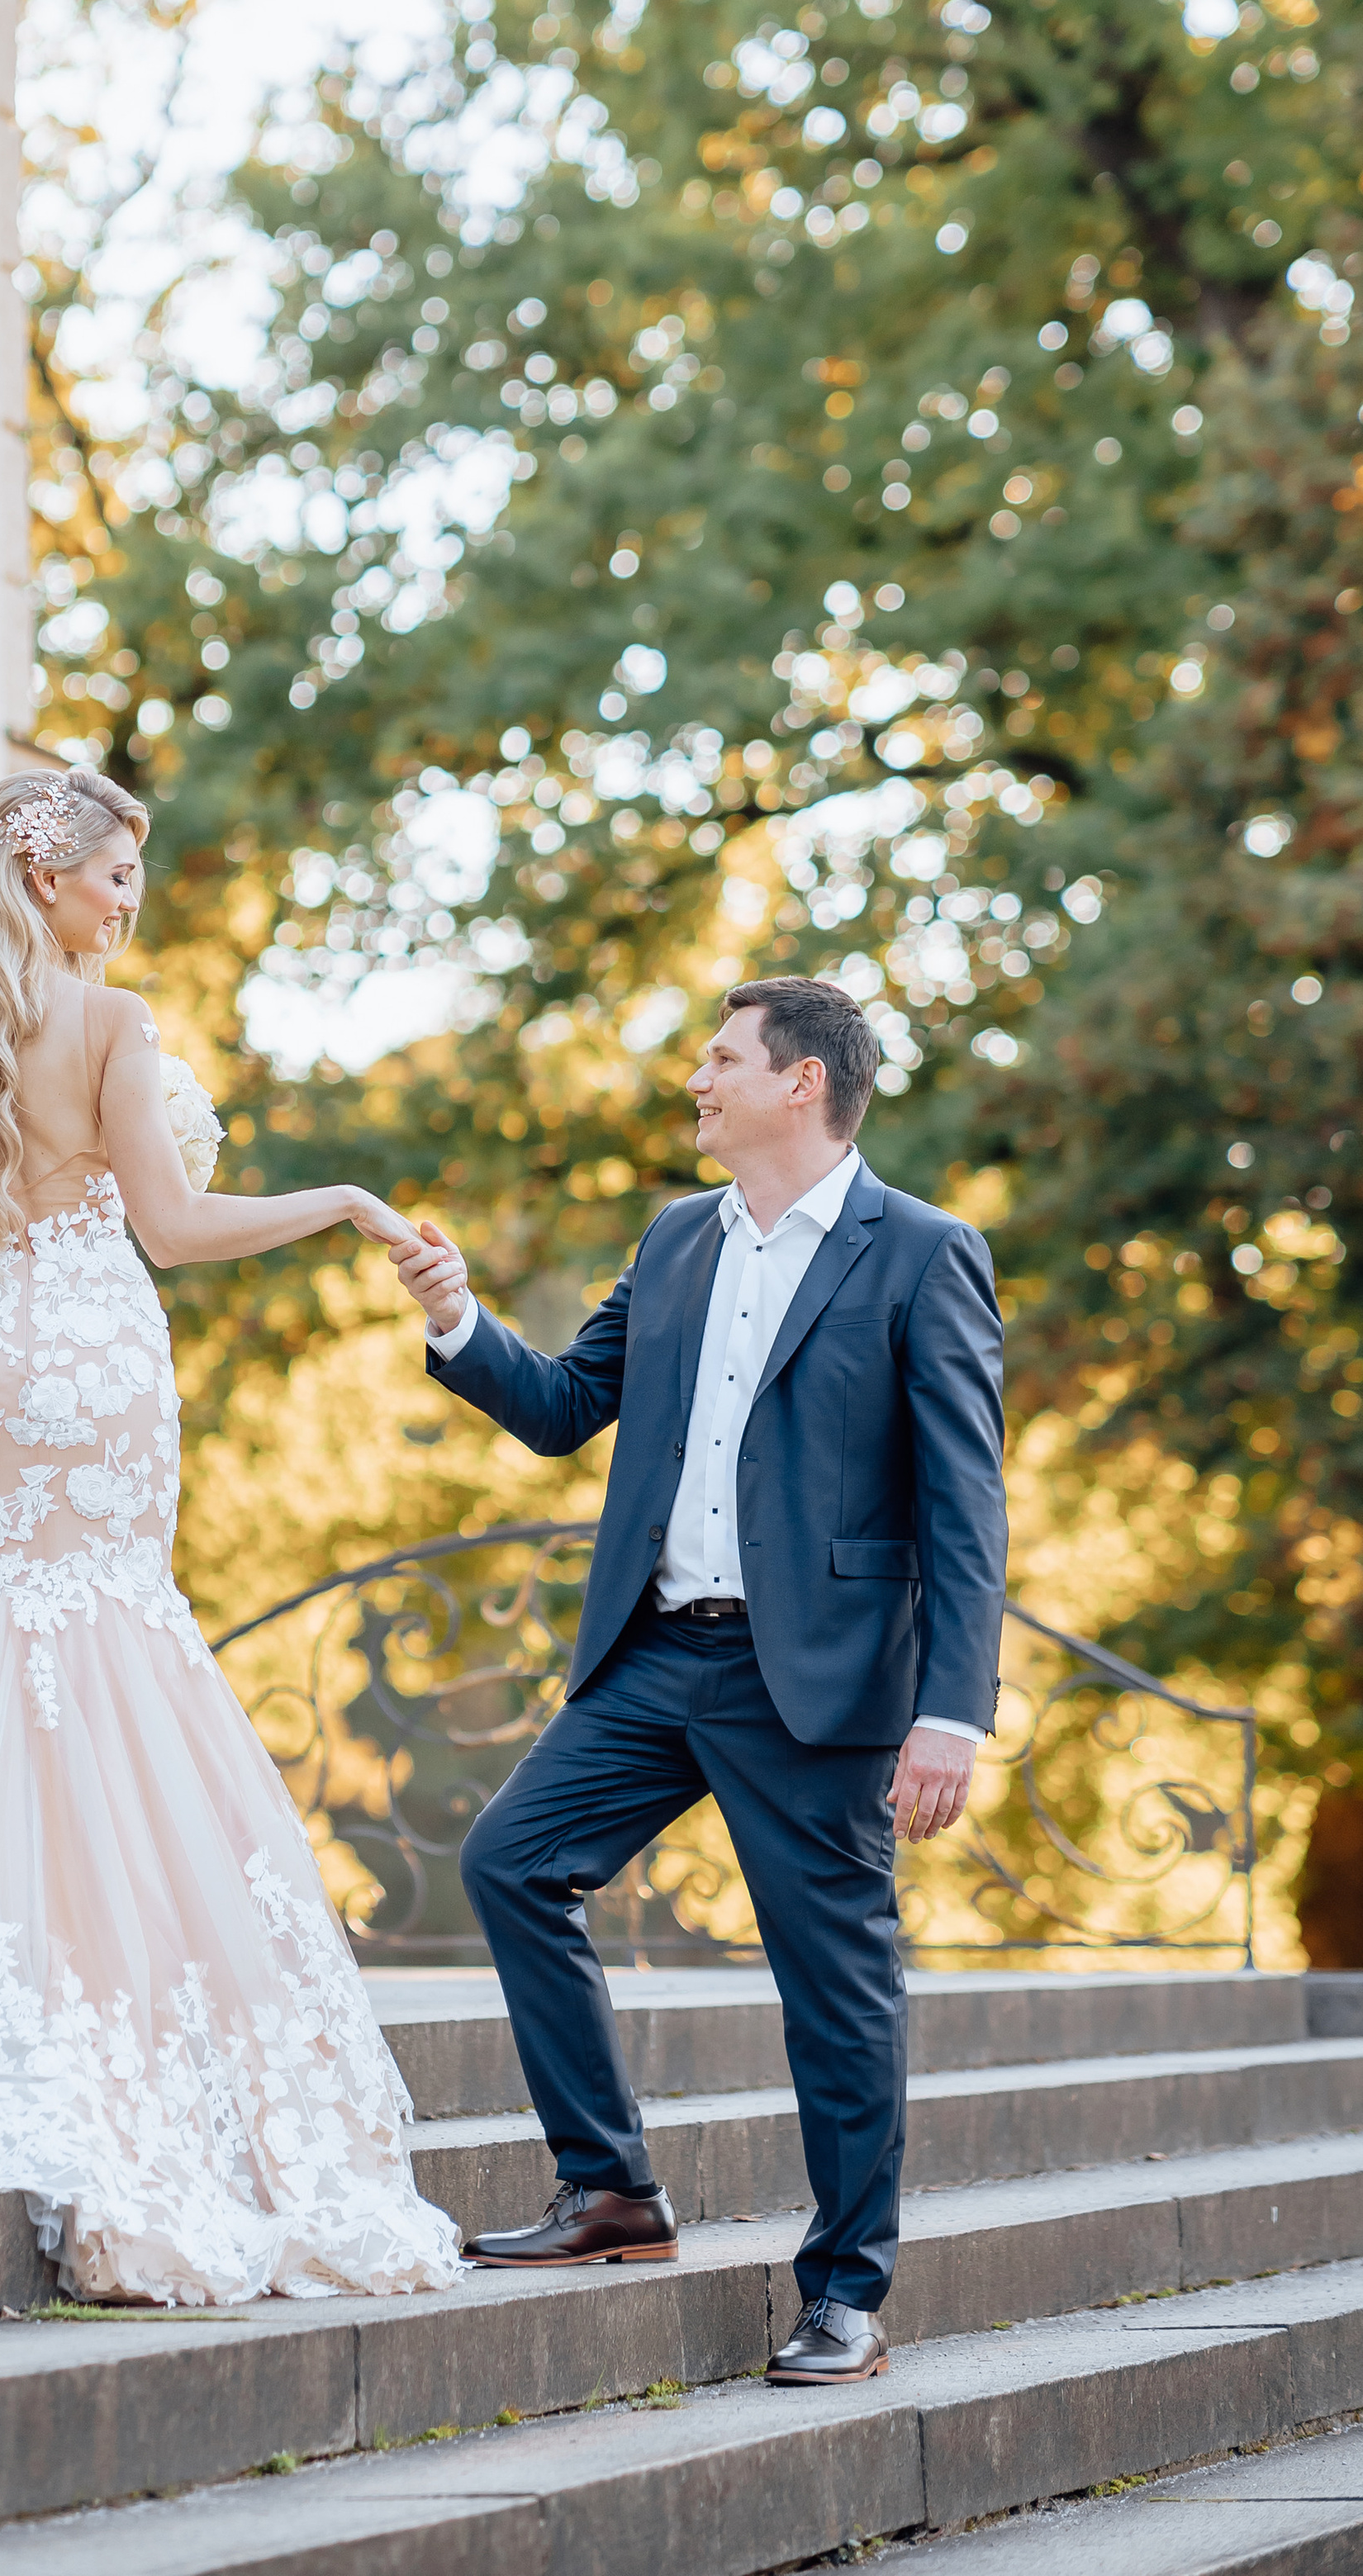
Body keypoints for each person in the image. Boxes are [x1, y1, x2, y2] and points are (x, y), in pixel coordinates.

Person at [0, 766, 463, 2308]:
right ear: (42, 878)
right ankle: (109, 1991)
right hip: (93, 1356)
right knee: (108, 1635)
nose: (128, 902)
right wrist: (338, 1199)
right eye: (115, 876)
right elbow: (174, 1229)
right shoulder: (112, 1028)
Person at [388, 975, 1007, 2384]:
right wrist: (455, 1320)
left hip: (826, 1679)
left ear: (803, 1083)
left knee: (834, 1986)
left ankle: (847, 2291)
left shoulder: (920, 1252)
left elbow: (968, 1504)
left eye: (722, 1058)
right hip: (659, 1653)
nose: (697, 1077)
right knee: (512, 1861)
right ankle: (610, 2190)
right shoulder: (676, 1242)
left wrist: (951, 1709)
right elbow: (559, 1409)